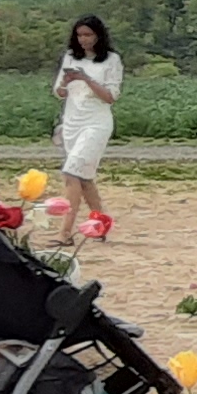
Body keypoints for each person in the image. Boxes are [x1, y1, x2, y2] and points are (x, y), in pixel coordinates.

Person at [51, 16, 124, 246]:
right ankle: (100, 224)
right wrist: (66, 81)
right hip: (72, 121)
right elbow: (59, 92)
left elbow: (110, 96)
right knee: (84, 178)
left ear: (98, 36)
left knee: (71, 172)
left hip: (96, 121)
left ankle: (65, 232)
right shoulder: (70, 57)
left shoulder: (111, 60)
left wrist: (86, 78)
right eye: (80, 35)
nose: (84, 39)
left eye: (88, 35)